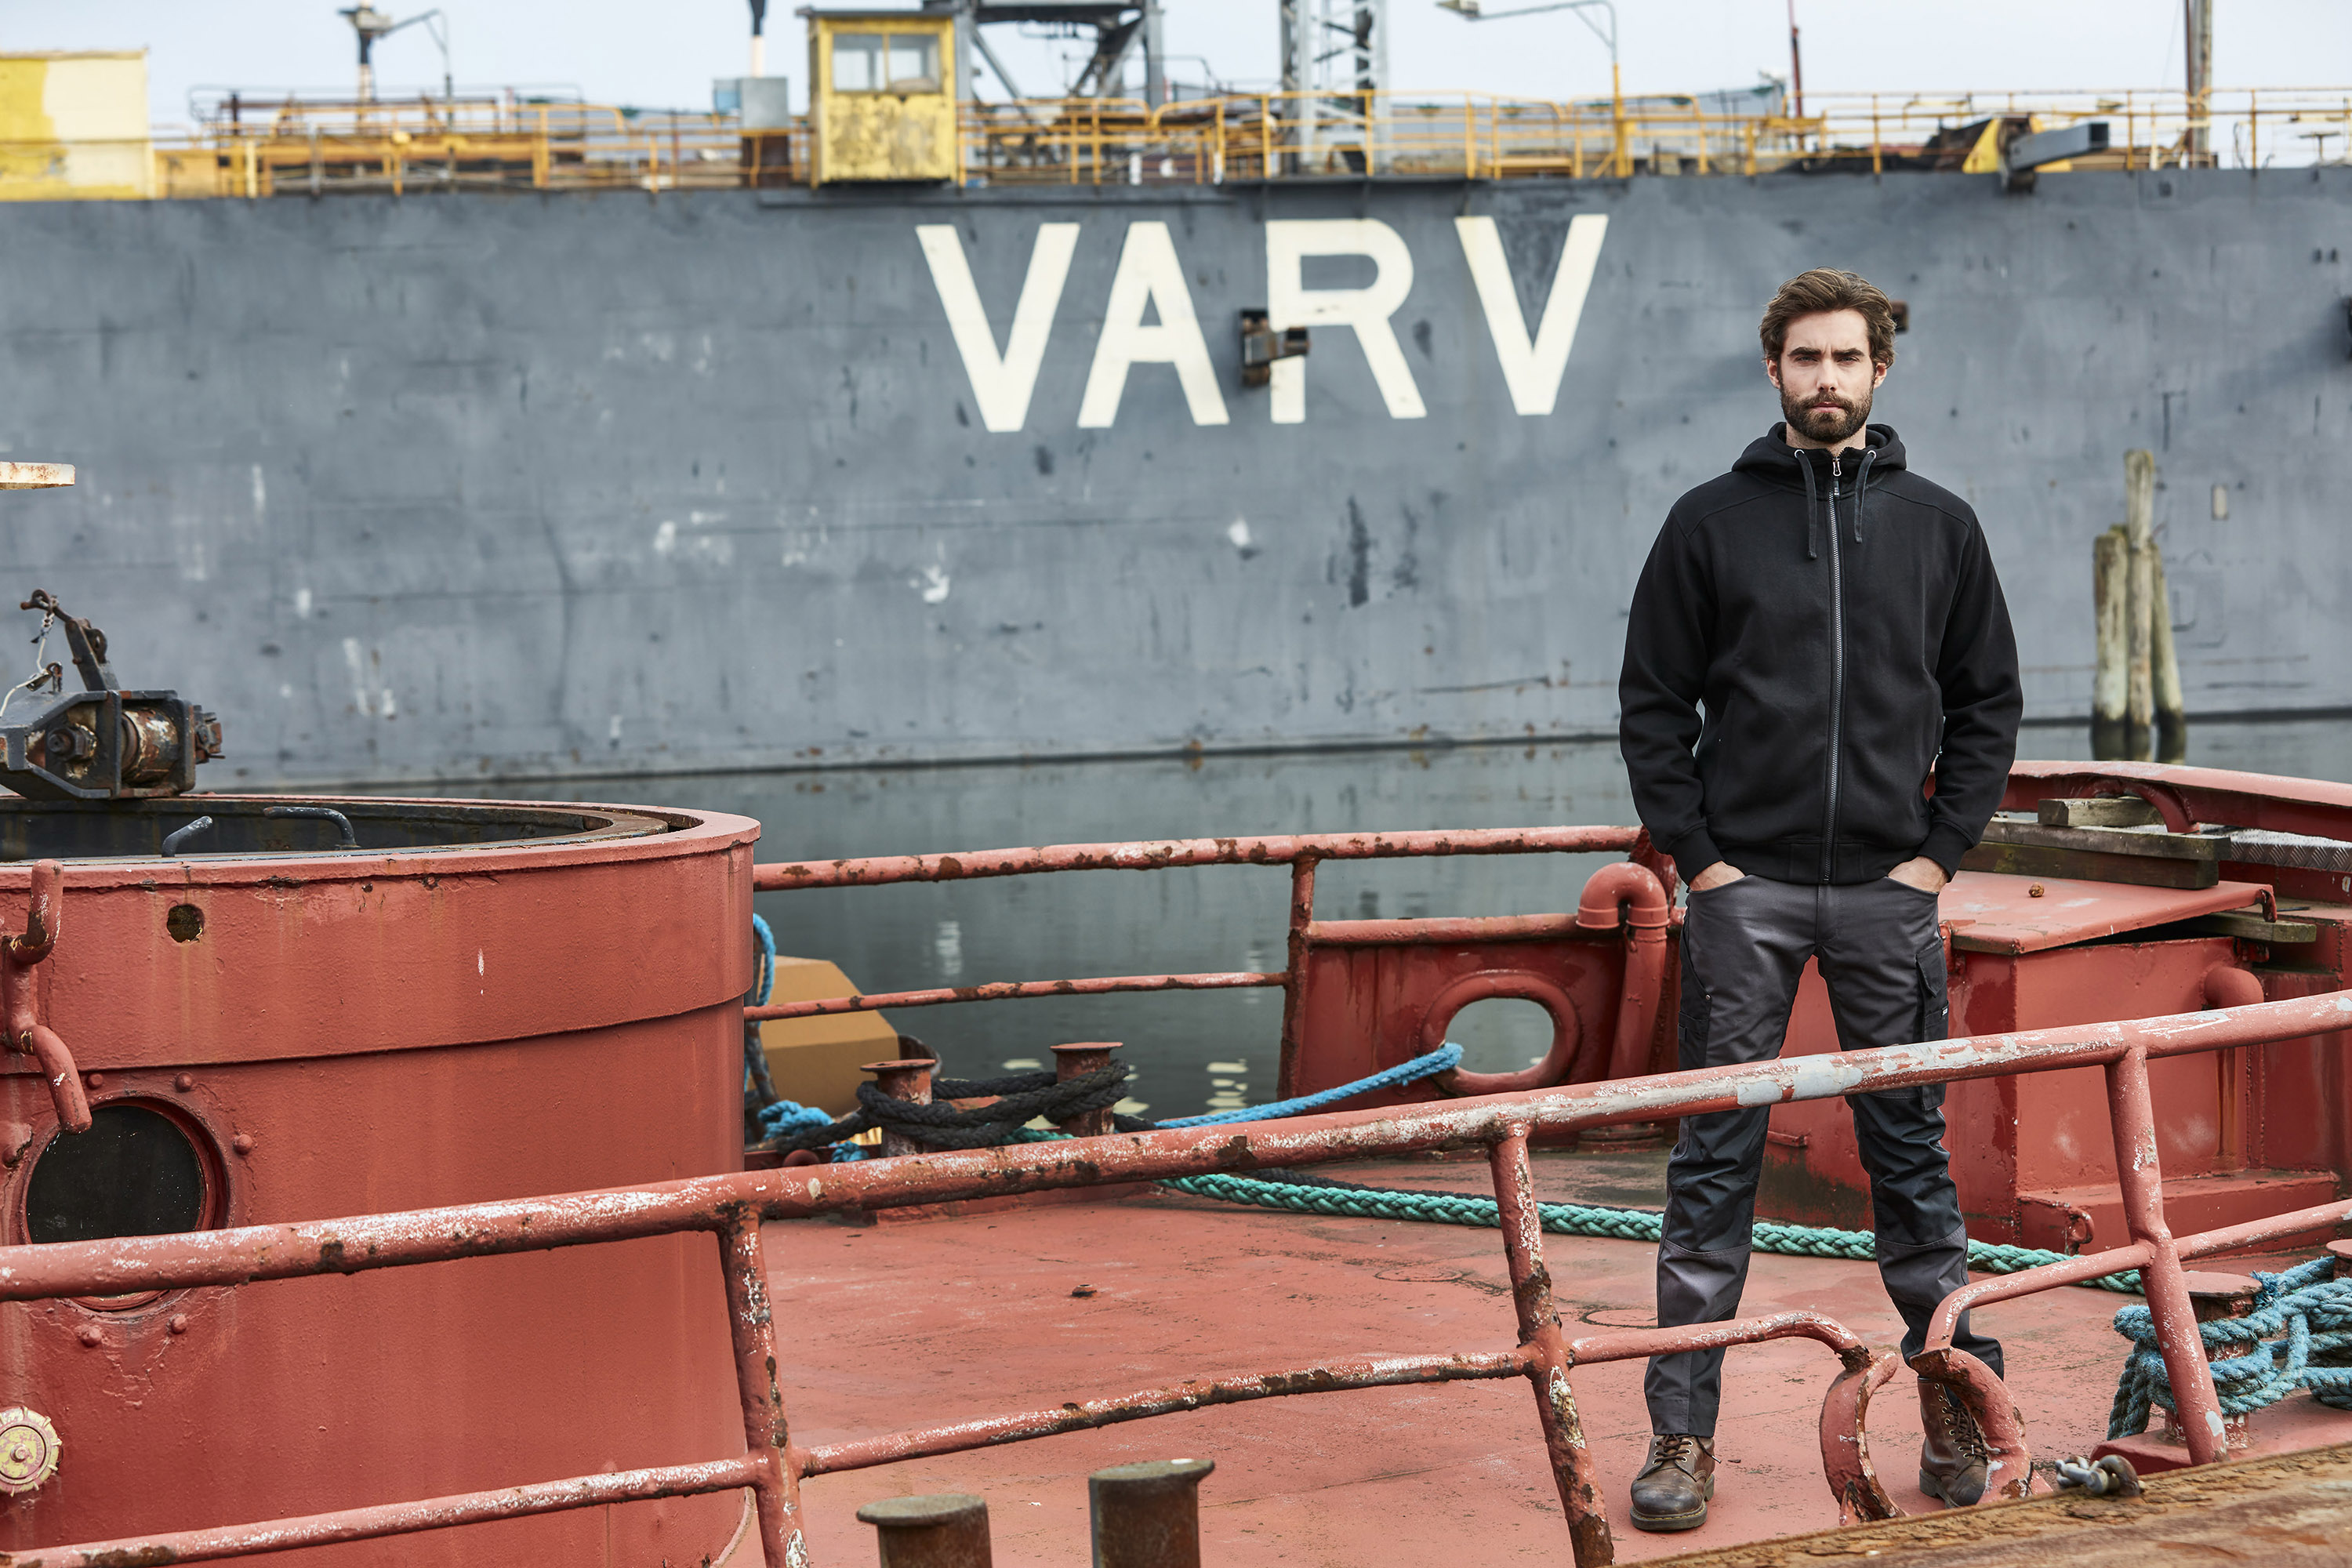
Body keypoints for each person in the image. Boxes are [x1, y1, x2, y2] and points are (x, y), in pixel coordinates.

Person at [1614, 267, 2023, 1532]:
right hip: (1748, 893)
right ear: (1774, 370)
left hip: (1887, 894)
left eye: (1848, 358)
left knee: (1912, 1159)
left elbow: (1987, 703)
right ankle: (1683, 1439)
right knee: (1713, 1163)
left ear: (1880, 369)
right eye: (1806, 358)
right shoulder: (1708, 523)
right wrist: (1701, 858)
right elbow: (1652, 702)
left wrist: (1938, 856)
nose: (1828, 379)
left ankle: (1955, 1405)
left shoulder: (1941, 526)